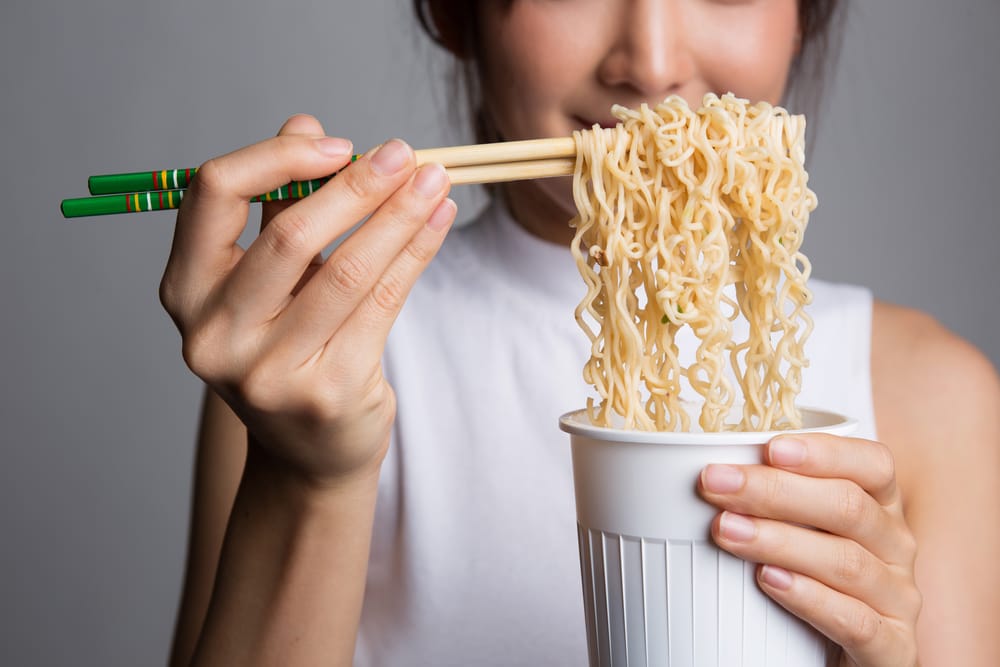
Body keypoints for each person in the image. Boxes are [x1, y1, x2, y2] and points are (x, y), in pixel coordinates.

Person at [158, 1, 1000, 664]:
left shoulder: (936, 398)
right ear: (456, 13)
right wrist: (310, 477)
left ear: (804, 13)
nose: (652, 64)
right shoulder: (312, 362)